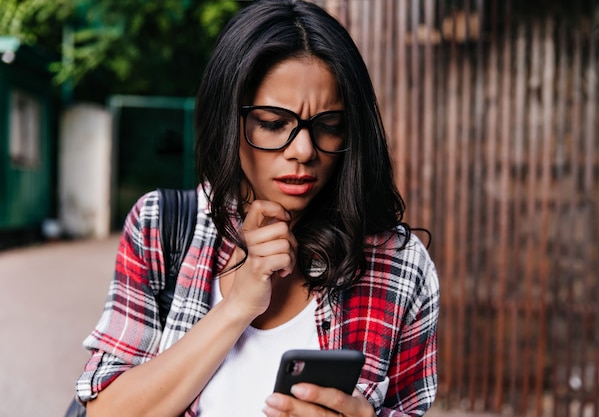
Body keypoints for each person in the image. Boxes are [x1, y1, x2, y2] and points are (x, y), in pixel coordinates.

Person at [75, 0, 439, 416]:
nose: (303, 150)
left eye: (329, 126)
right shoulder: (161, 226)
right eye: (272, 122)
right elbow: (106, 411)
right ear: (228, 119)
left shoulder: (399, 265)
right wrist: (237, 307)